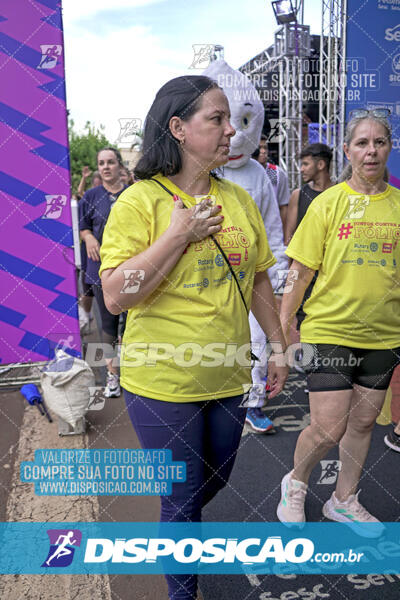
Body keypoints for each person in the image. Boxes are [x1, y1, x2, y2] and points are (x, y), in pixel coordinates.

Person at [99, 75, 288, 600]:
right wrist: (179, 235)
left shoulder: (240, 200)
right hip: (162, 381)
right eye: (217, 119)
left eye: (232, 120)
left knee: (215, 482)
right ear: (178, 128)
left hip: (228, 374)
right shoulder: (141, 202)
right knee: (181, 499)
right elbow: (117, 296)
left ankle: (171, 537)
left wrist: (276, 344)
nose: (232, 131)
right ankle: (183, 589)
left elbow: (256, 279)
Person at [277, 108, 400, 534]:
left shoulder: (399, 206)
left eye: (379, 142)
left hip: (384, 334)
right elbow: (300, 270)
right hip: (329, 330)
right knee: (328, 427)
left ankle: (343, 500)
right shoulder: (328, 203)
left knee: (363, 422)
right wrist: (283, 326)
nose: (371, 151)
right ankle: (295, 484)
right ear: (347, 150)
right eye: (362, 143)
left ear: (389, 148)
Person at [79, 147, 126, 397]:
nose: (106, 167)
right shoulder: (90, 196)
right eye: (101, 163)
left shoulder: (134, 194)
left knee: (132, 325)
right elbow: (83, 227)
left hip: (134, 270)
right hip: (101, 271)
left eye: (110, 162)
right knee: (108, 325)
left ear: (119, 165)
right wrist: (88, 238)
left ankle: (136, 375)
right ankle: (112, 376)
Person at [284, 143, 333, 335]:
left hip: (331, 275)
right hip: (305, 274)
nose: (301, 169)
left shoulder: (339, 194)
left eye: (305, 164)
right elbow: (290, 239)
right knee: (304, 321)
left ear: (321, 165)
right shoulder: (299, 194)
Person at [255, 135, 290, 229]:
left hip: (271, 231)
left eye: (265, 148)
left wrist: (283, 235)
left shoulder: (277, 173)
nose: (263, 151)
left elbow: (284, 206)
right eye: (259, 148)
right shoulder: (243, 172)